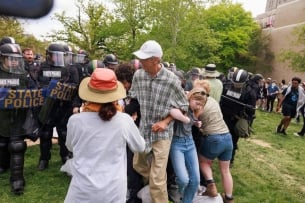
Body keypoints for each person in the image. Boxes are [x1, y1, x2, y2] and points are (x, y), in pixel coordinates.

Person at [64, 68, 145, 202]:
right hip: (113, 190)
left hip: (82, 189)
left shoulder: (75, 121)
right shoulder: (124, 120)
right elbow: (140, 147)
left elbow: (70, 147)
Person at [129, 40, 189, 203]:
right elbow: (133, 97)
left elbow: (184, 105)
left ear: (156, 60)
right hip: (143, 129)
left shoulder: (171, 80)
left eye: (144, 59)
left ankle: (158, 188)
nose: (140, 62)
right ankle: (155, 184)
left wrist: (165, 122)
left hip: (163, 133)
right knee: (137, 164)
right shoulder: (138, 75)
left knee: (157, 178)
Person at [0, 43, 43, 194]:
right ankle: (3, 165)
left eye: (15, 59)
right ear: (2, 59)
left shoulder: (24, 75)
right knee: (2, 143)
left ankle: (17, 180)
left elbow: (34, 92)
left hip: (19, 116)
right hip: (2, 117)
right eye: (9, 58)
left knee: (17, 146)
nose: (13, 62)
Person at [37, 43, 79, 170]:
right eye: (54, 55)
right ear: (48, 55)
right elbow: (39, 83)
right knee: (45, 133)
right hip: (48, 105)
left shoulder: (71, 69)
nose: (57, 58)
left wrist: (65, 90)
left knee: (63, 133)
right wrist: (50, 87)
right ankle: (44, 158)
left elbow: (76, 87)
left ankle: (65, 155)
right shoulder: (43, 67)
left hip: (64, 106)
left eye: (59, 55)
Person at [191, 87, 234, 203]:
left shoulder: (199, 105)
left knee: (203, 162)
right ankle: (229, 198)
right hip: (227, 137)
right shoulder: (213, 101)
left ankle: (211, 186)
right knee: (225, 171)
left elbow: (192, 120)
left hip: (214, 137)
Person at [167, 89, 204, 203]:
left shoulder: (194, 110)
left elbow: (191, 120)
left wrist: (195, 122)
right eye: (197, 103)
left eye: (201, 105)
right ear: (191, 98)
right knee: (183, 180)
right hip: (177, 144)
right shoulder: (183, 105)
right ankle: (179, 191)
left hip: (190, 142)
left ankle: (186, 201)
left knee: (196, 180)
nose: (198, 107)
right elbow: (172, 111)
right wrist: (186, 119)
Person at [220, 69, 256, 167]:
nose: (236, 85)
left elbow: (251, 111)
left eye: (239, 84)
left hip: (236, 119)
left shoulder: (250, 93)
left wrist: (247, 116)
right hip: (222, 117)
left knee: (233, 140)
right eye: (235, 83)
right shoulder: (225, 85)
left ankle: (230, 158)